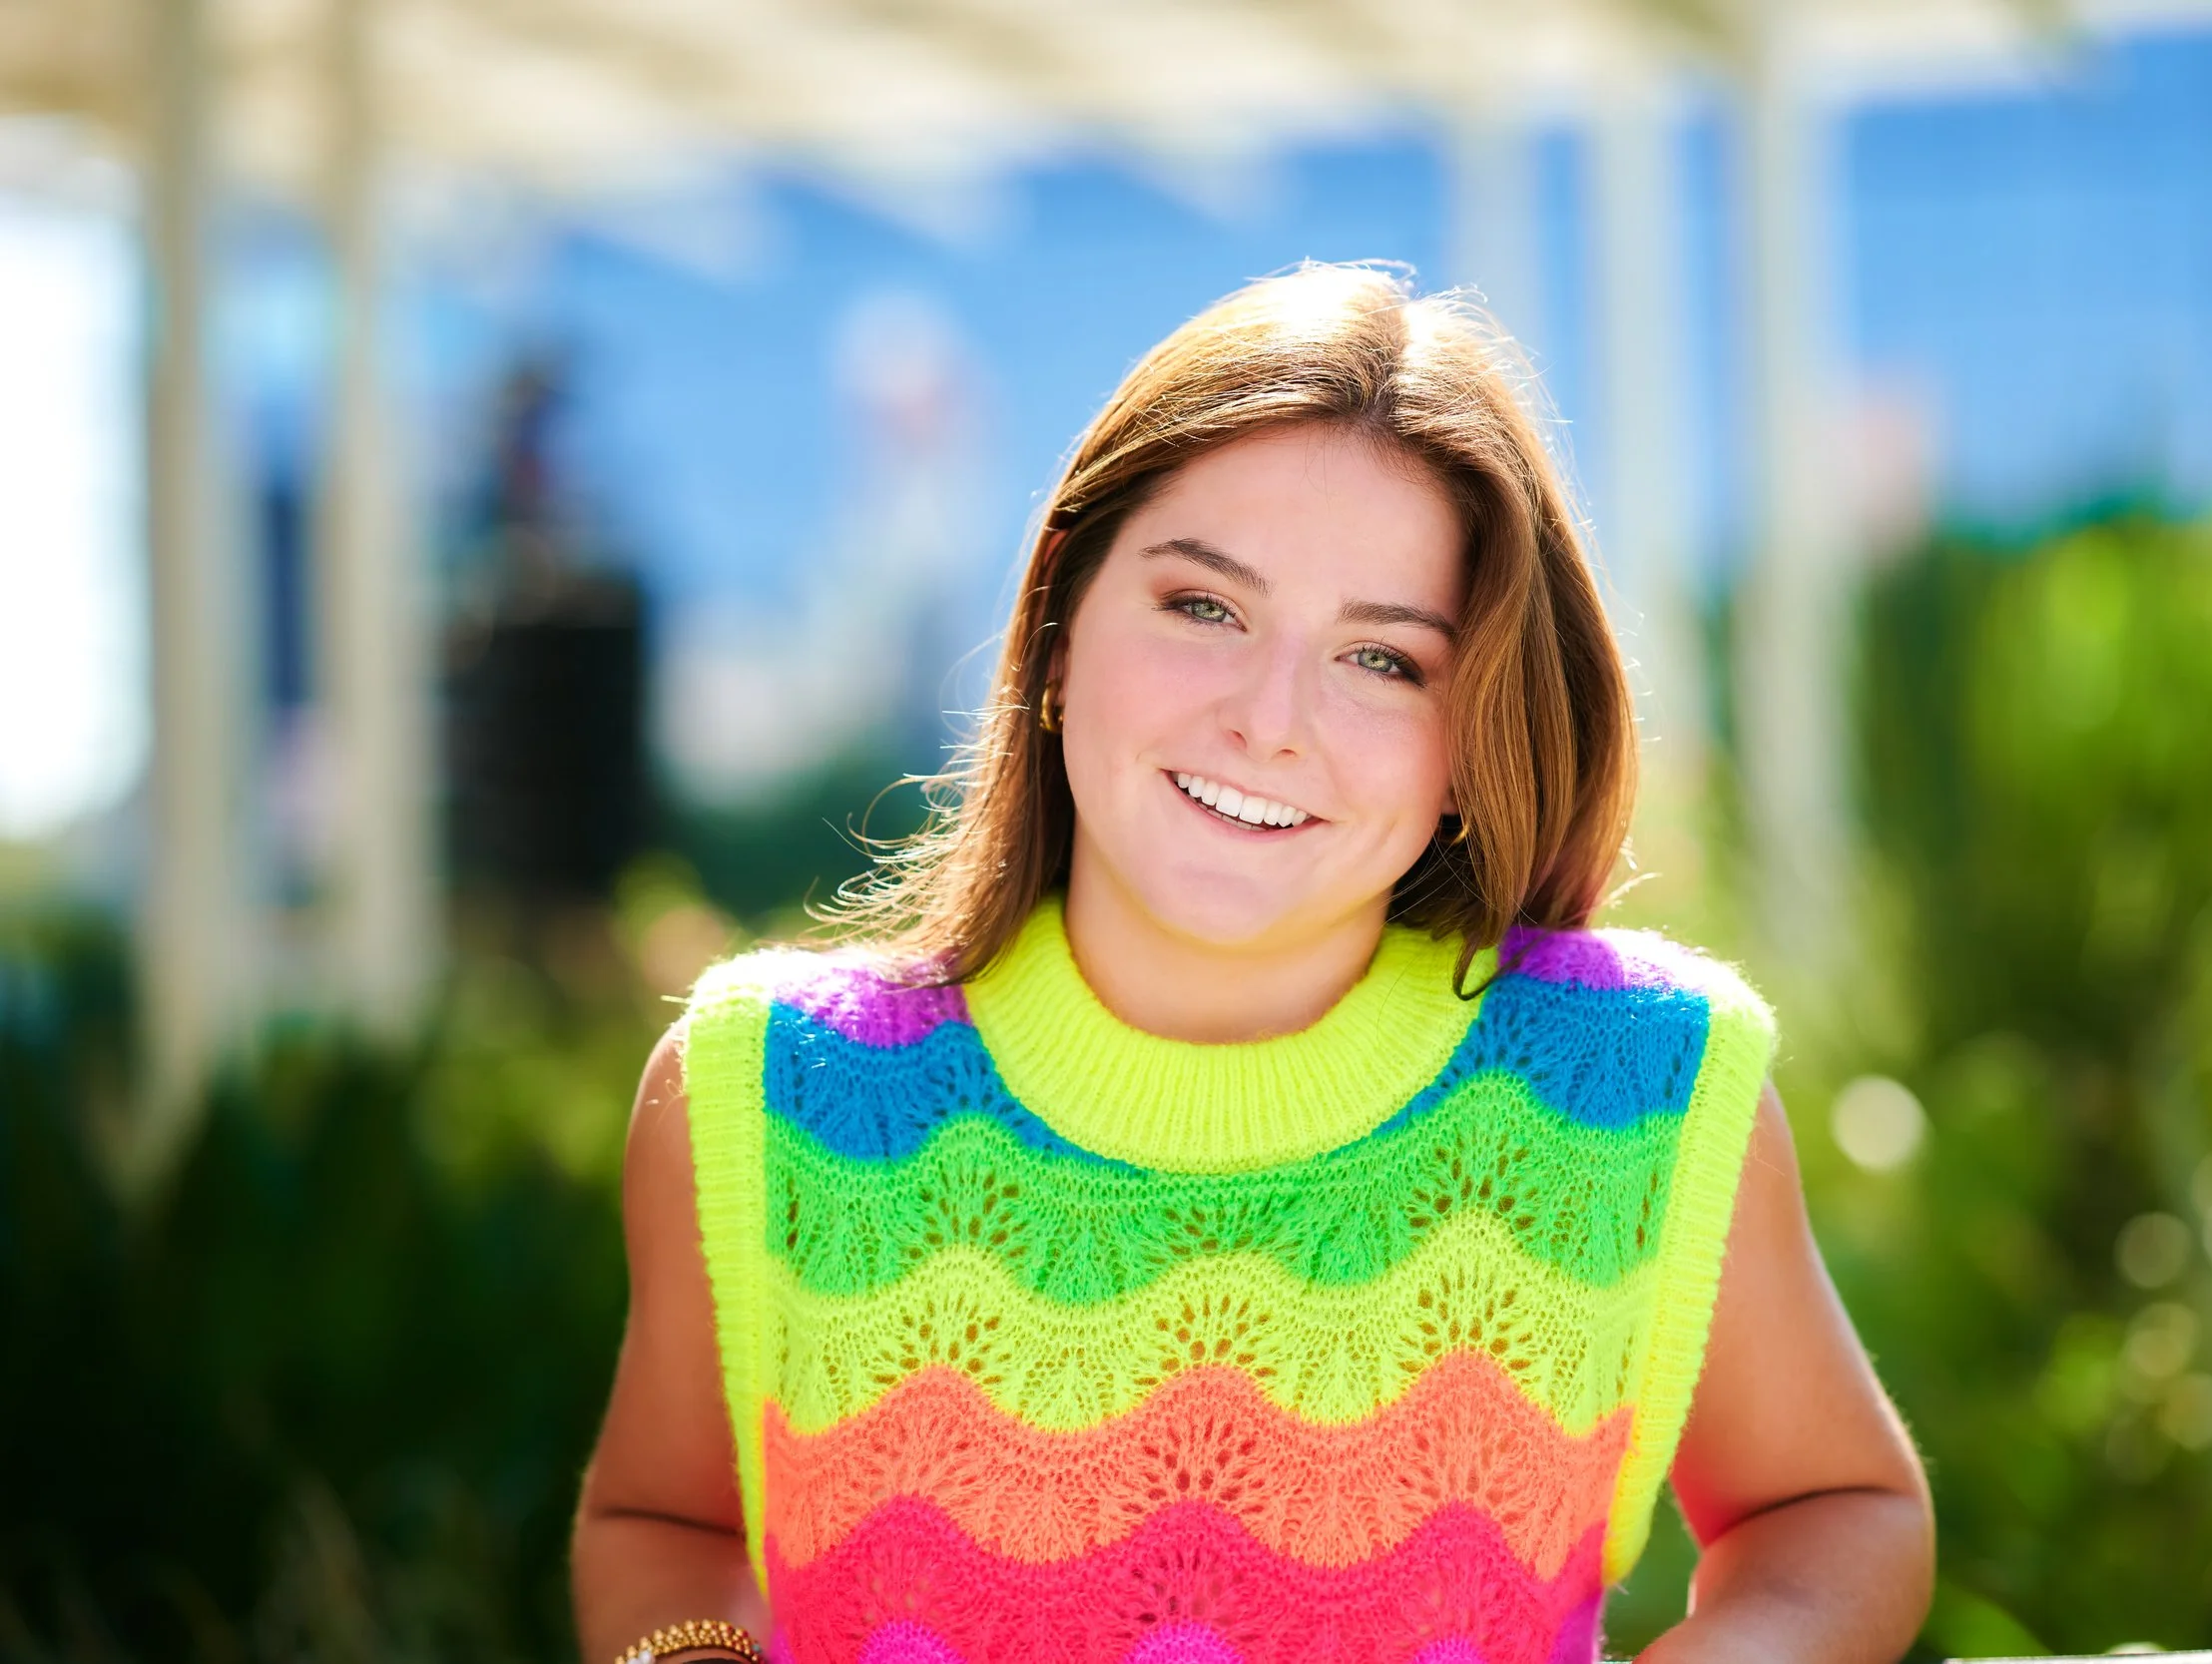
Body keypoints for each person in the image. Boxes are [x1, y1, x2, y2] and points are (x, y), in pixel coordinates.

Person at [571, 264, 1933, 1664]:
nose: (1270, 719)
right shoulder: (767, 1093)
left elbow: (1836, 1509)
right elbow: (660, 1522)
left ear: (1472, 742)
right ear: (1059, 624)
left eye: (1384, 660)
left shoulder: (1636, 1090)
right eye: (1204, 607)